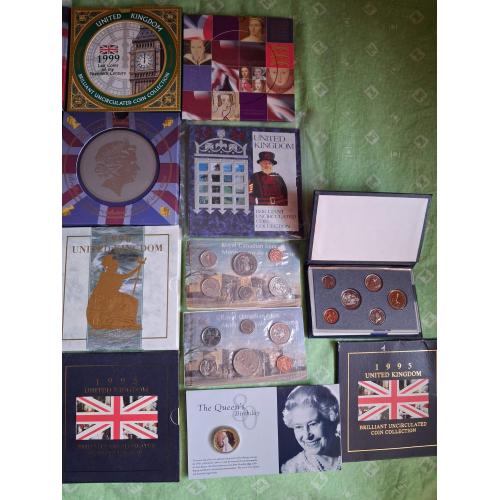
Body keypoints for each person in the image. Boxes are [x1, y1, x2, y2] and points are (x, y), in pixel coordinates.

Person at [281, 386, 341, 473]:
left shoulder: (352, 451)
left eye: (312, 424)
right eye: (298, 427)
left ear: (329, 418)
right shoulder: (291, 470)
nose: (306, 436)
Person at [86, 254, 146, 330]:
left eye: (116, 266)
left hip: (113, 295)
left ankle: (130, 322)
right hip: (105, 297)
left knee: (133, 301)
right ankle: (126, 322)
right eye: (114, 266)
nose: (116, 267)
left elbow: (128, 275)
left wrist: (139, 267)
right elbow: (100, 289)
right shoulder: (105, 275)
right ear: (109, 266)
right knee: (131, 301)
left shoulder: (114, 275)